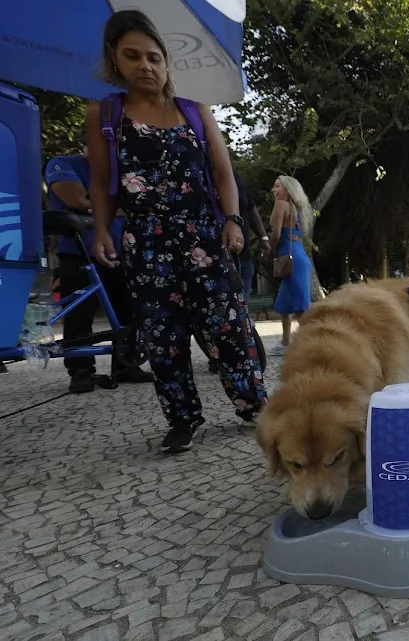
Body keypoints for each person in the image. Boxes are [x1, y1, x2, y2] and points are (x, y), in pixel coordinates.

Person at [86, 10, 268, 454]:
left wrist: (232, 221)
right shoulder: (105, 114)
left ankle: (255, 406)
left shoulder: (193, 110)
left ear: (167, 63)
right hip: (146, 243)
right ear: (115, 60)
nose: (145, 66)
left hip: (205, 236)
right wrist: (102, 230)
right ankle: (182, 419)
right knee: (162, 336)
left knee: (228, 327)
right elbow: (101, 179)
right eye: (133, 56)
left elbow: (224, 174)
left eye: (154, 57)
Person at [44, 127, 153, 393]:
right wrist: (119, 206)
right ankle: (81, 371)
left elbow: (145, 205)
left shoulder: (122, 172)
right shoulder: (63, 164)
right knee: (80, 314)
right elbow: (78, 200)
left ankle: (126, 364)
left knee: (128, 311)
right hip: (80, 251)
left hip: (124, 250)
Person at [205, 169, 269, 373]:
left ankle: (242, 354)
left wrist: (264, 237)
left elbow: (251, 209)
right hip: (211, 255)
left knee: (242, 306)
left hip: (243, 255)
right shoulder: (198, 175)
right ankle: (218, 356)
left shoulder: (237, 178)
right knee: (217, 310)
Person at [269, 175, 313, 354]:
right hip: (299, 256)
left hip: (289, 256)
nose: (274, 190)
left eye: (277, 186)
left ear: (287, 189)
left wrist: (269, 250)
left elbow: (277, 234)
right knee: (285, 304)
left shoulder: (281, 205)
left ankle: (310, 343)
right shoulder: (300, 210)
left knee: (301, 307)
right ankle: (286, 342)